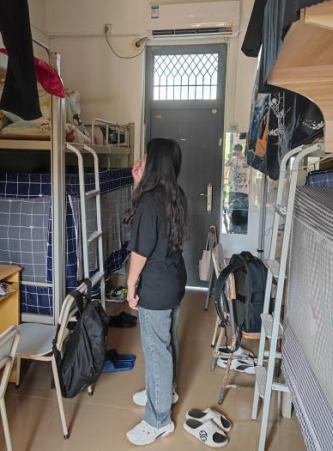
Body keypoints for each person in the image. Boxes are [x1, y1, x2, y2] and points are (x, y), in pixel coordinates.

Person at [124, 138, 189, 446]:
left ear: (156, 163)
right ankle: (164, 391)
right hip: (174, 280)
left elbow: (141, 250)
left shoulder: (149, 201)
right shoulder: (176, 194)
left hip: (155, 285)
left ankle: (158, 420)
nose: (142, 160)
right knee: (167, 341)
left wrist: (130, 284)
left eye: (146, 156)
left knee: (156, 350)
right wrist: (140, 184)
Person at [224, 143, 250, 233]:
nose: (237, 153)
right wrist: (230, 160)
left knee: (242, 213)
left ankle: (241, 231)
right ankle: (234, 231)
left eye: (238, 152)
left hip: (242, 191)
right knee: (233, 213)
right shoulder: (232, 160)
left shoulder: (246, 160)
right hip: (235, 191)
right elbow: (224, 172)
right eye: (236, 152)